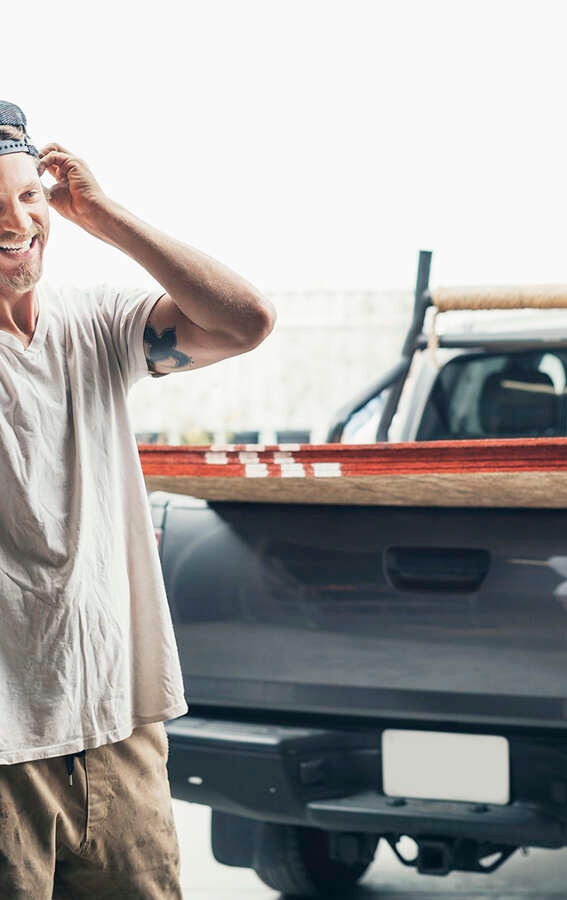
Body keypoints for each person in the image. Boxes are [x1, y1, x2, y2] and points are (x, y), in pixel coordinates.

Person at [0, 101, 276, 898]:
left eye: (29, 196)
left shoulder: (97, 325)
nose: (15, 222)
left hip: (118, 725)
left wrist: (105, 215)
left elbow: (246, 320)